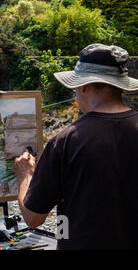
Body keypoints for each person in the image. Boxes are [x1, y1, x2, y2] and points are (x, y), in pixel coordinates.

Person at [13, 44, 138, 250]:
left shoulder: (65, 142)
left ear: (84, 87)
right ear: (120, 86)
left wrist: (25, 176)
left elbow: (33, 218)